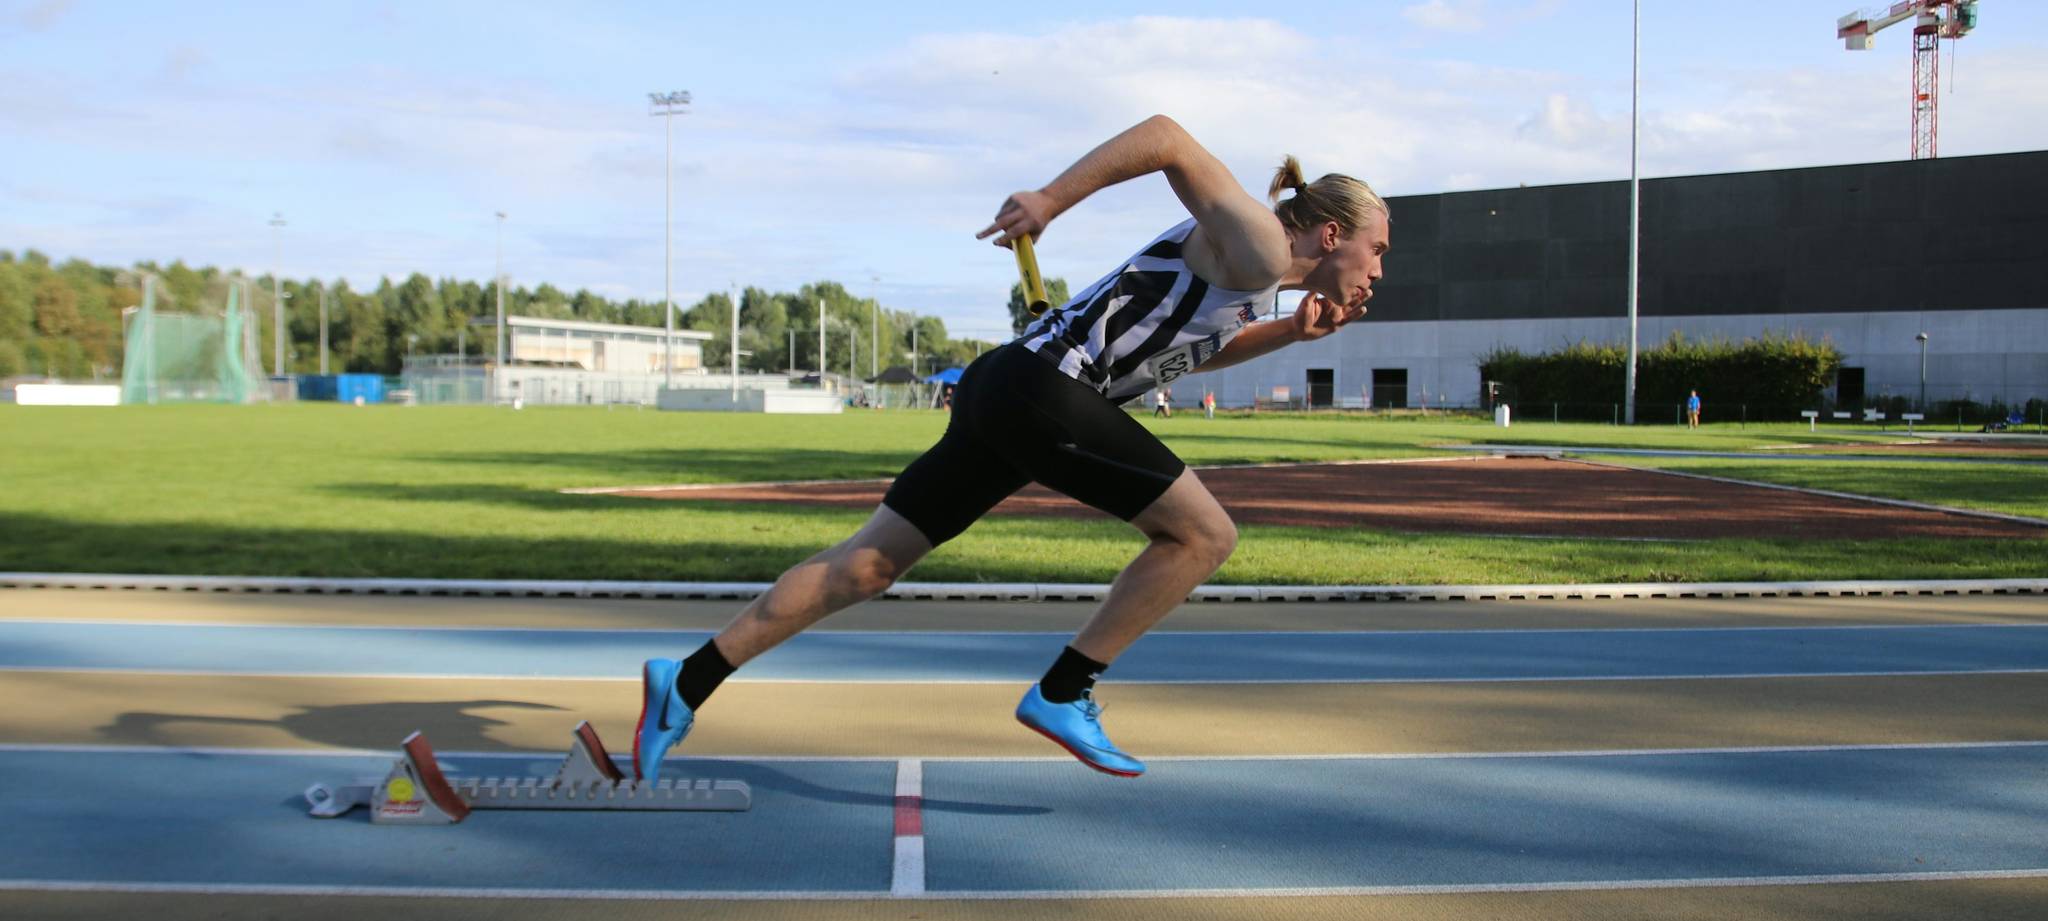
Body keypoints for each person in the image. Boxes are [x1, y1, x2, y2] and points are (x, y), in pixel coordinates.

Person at [634, 115, 1387, 780]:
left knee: (865, 566)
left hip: (1008, 387)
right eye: (1377, 249)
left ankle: (686, 682)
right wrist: (1051, 199)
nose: (1379, 269)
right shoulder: (1261, 244)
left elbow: (1175, 358)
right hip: (1044, 390)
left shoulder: (1257, 284)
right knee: (1204, 535)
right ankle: (1064, 690)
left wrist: (1288, 333)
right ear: (1331, 236)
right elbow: (1167, 137)